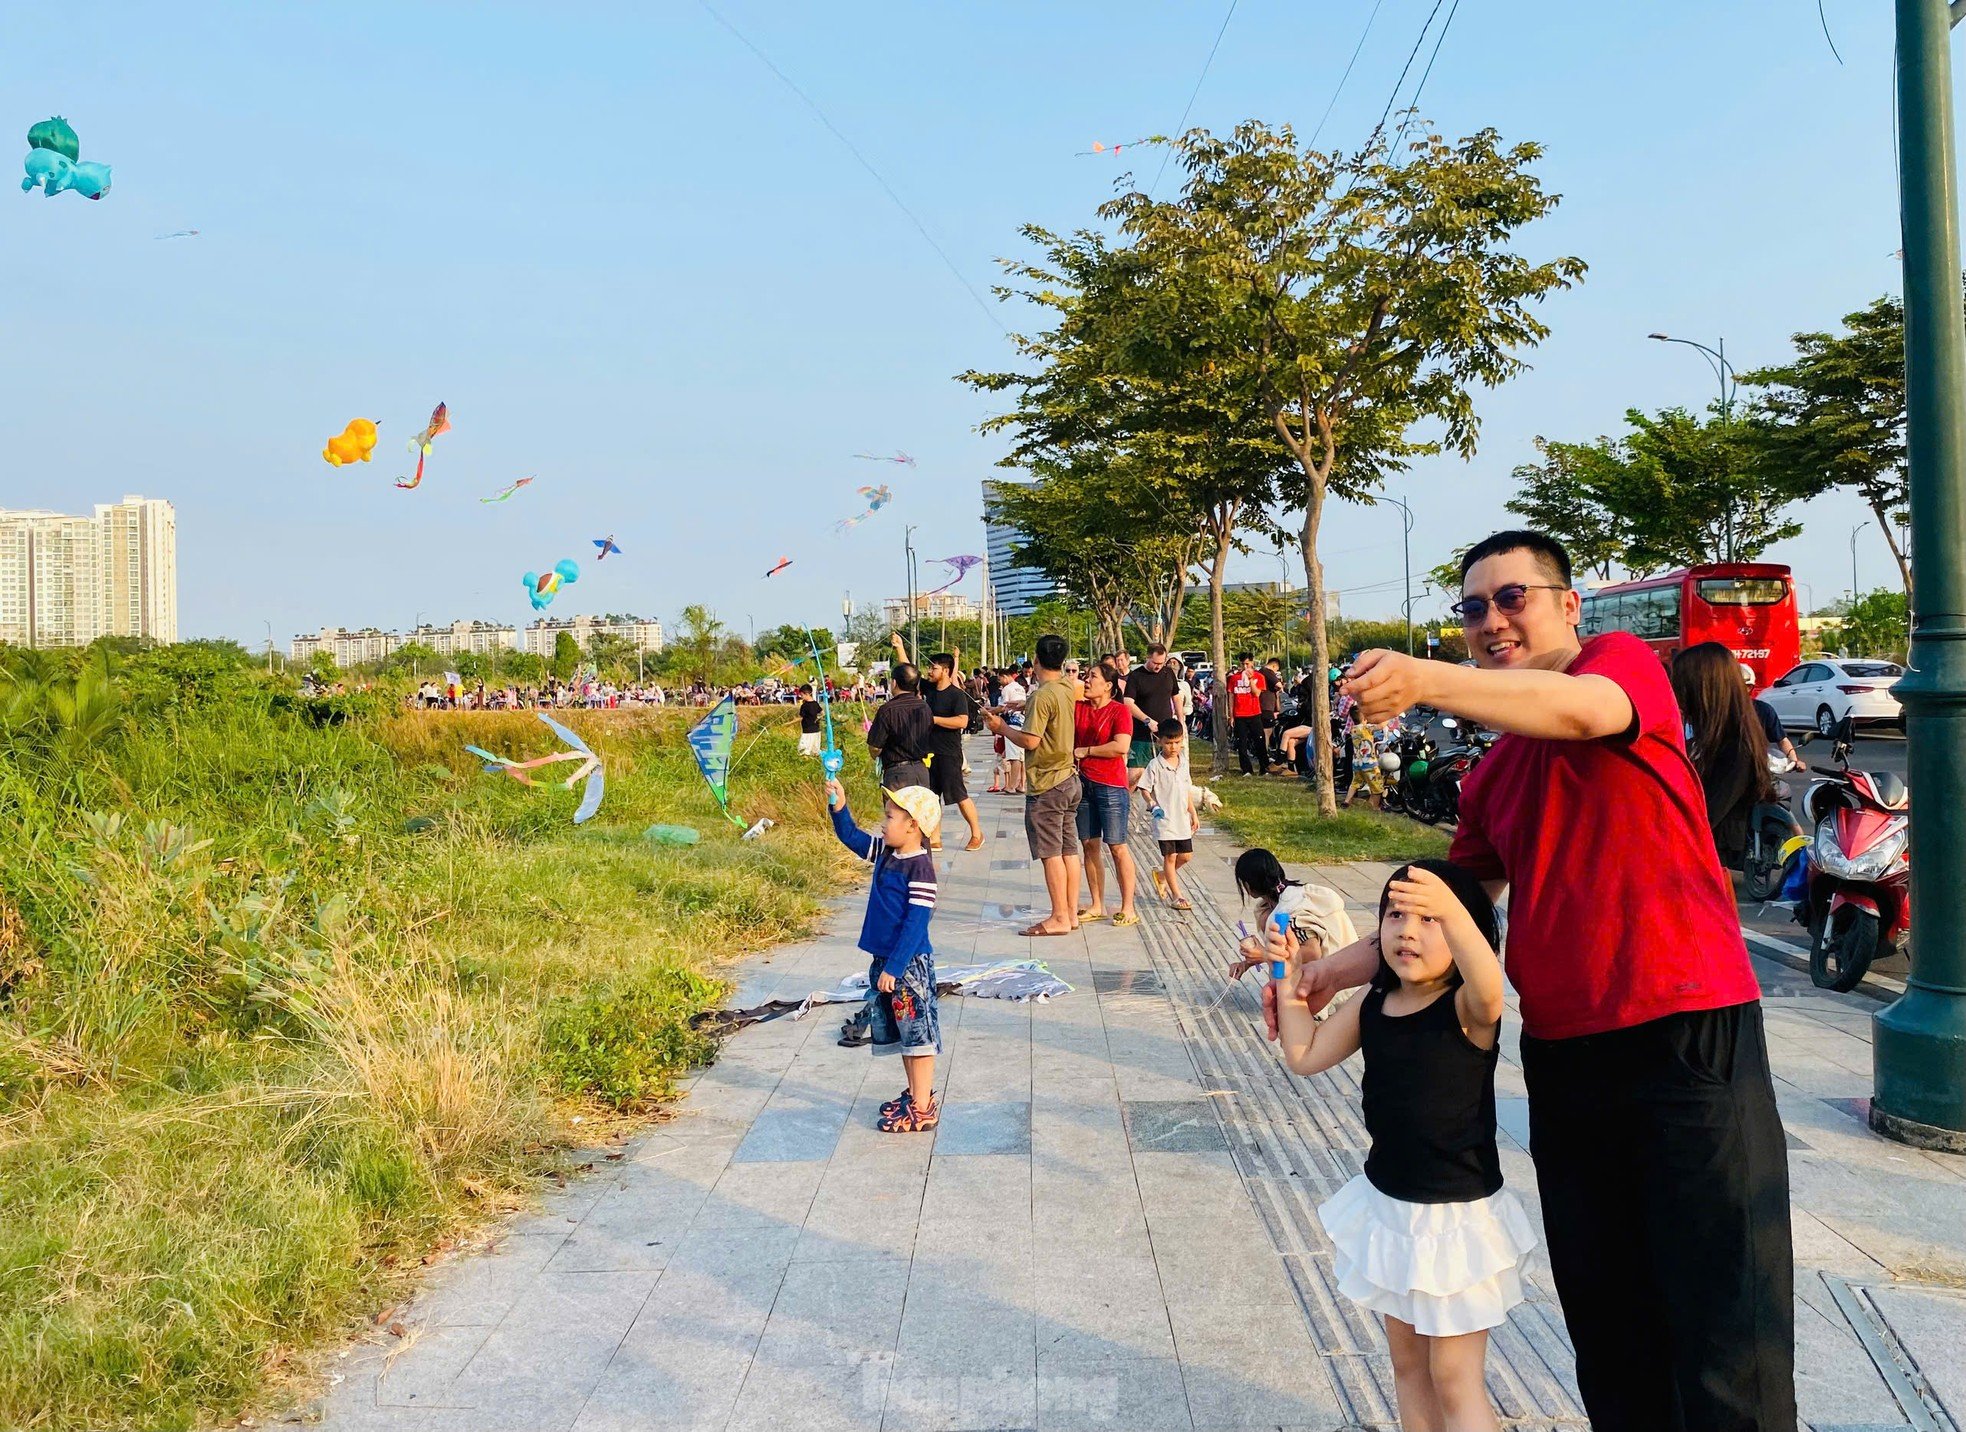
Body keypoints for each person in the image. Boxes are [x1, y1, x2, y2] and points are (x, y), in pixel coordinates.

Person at [1294, 529, 1793, 1431]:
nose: (1491, 620)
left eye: (1512, 596)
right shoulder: (1490, 776)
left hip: (1689, 1033)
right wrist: (1337, 965)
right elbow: (1451, 910)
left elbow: (1583, 711)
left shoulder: (1619, 664)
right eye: (1473, 608)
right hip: (1567, 1060)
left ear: (1567, 605)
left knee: (1728, 1325)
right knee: (1610, 1324)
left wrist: (1429, 678)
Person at [1272, 860, 1535, 1432]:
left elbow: (1490, 981)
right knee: (1407, 1366)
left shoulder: (1469, 1009)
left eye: (1430, 918)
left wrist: (1450, 903)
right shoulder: (1374, 1003)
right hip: (1391, 1210)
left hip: (1457, 1221)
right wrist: (1289, 983)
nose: (1407, 930)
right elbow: (1304, 1057)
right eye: (1395, 915)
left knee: (1455, 1377)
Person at [825, 778, 943, 1133]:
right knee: (904, 1036)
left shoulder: (920, 867)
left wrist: (894, 966)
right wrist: (839, 806)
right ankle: (915, 1094)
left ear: (913, 826)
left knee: (919, 1038)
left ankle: (923, 1108)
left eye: (891, 816)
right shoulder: (888, 853)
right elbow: (852, 837)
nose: (884, 821)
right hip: (888, 963)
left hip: (908, 966)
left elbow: (916, 923)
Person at [983, 634, 1082, 937]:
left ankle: (1059, 917)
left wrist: (1002, 728)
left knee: (1050, 853)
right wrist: (1012, 708)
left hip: (1047, 785)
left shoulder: (1042, 696)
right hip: (1069, 778)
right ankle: (1070, 912)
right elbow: (1042, 706)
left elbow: (1030, 740)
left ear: (1036, 661)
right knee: (1068, 850)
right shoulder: (1067, 687)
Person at [1671, 642, 1778, 868]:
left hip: (1708, 861)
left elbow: (1705, 816)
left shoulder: (1738, 748)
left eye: (1681, 687)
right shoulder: (1707, 738)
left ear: (1703, 690)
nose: (1676, 696)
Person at [1073, 660, 1139, 926]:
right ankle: (1097, 903)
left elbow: (1120, 746)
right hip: (1083, 784)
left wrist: (1085, 751)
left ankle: (1128, 907)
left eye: (1093, 677)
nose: (1086, 681)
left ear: (1108, 685)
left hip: (1111, 785)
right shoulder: (1079, 709)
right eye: (1086, 676)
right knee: (1090, 845)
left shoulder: (1119, 711)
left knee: (1117, 846)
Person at [1134, 719, 1197, 909]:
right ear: (1159, 741)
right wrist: (1152, 804)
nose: (1173, 747)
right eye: (1169, 743)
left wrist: (1193, 813)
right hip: (1165, 820)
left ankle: (1162, 875)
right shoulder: (1155, 765)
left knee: (1186, 856)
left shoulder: (1183, 762)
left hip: (1182, 819)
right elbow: (1144, 788)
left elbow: (1186, 789)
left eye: (1177, 742)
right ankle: (1176, 895)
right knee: (1170, 857)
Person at [925, 652, 985, 852]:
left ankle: (977, 833)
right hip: (929, 753)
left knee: (959, 795)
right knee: (932, 796)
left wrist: (934, 720)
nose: (929, 671)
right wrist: (899, 647)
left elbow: (962, 721)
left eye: (934, 668)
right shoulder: (929, 690)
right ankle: (935, 837)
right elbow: (909, 671)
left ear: (945, 671)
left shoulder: (956, 694)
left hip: (949, 753)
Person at [866, 662, 933, 791]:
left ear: (894, 683)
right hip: (922, 770)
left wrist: (876, 757)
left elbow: (875, 746)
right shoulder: (925, 707)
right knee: (919, 810)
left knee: (896, 810)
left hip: (898, 774)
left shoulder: (887, 710)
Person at [1122, 642, 1180, 772]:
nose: (1158, 666)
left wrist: (1181, 720)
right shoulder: (1136, 676)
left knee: (1165, 772)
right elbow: (1128, 702)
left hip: (1165, 734)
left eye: (1161, 663)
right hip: (1141, 735)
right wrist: (1147, 720)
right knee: (1135, 773)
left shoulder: (1168, 673)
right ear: (1148, 657)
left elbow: (1176, 696)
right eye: (1155, 663)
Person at [1747, 664, 1801, 770]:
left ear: (1750, 687)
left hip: (1757, 769)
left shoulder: (1763, 710)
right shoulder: (1718, 712)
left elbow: (1781, 740)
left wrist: (1794, 761)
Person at [1228, 653, 1267, 775]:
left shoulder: (1259, 677)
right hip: (1240, 714)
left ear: (1252, 663)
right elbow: (1231, 696)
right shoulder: (1234, 678)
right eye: (1242, 664)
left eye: (1247, 664)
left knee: (1259, 741)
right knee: (1241, 743)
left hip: (1254, 713)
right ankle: (1246, 769)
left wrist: (1250, 680)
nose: (1245, 667)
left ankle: (1263, 767)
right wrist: (1231, 715)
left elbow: (1257, 694)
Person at [1343, 711, 1389, 811]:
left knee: (1355, 783)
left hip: (1356, 763)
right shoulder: (1367, 728)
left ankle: (1347, 801)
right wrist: (1389, 716)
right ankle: (1375, 807)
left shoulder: (1353, 729)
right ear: (1364, 719)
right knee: (1377, 786)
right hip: (1369, 763)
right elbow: (1381, 726)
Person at [997, 667, 1028, 795]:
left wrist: (989, 711)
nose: (1000, 682)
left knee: (1014, 756)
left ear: (1005, 676)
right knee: (1022, 757)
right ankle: (1022, 785)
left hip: (1012, 723)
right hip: (1023, 722)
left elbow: (1002, 708)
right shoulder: (1020, 687)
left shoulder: (1007, 689)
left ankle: (1011, 786)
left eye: (1000, 679)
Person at [796, 685, 823, 758]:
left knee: (804, 750)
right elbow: (822, 712)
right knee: (815, 750)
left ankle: (805, 762)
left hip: (807, 731)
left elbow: (801, 716)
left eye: (802, 695)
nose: (801, 697)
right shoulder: (816, 704)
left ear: (807, 694)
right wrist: (818, 718)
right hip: (816, 730)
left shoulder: (804, 706)